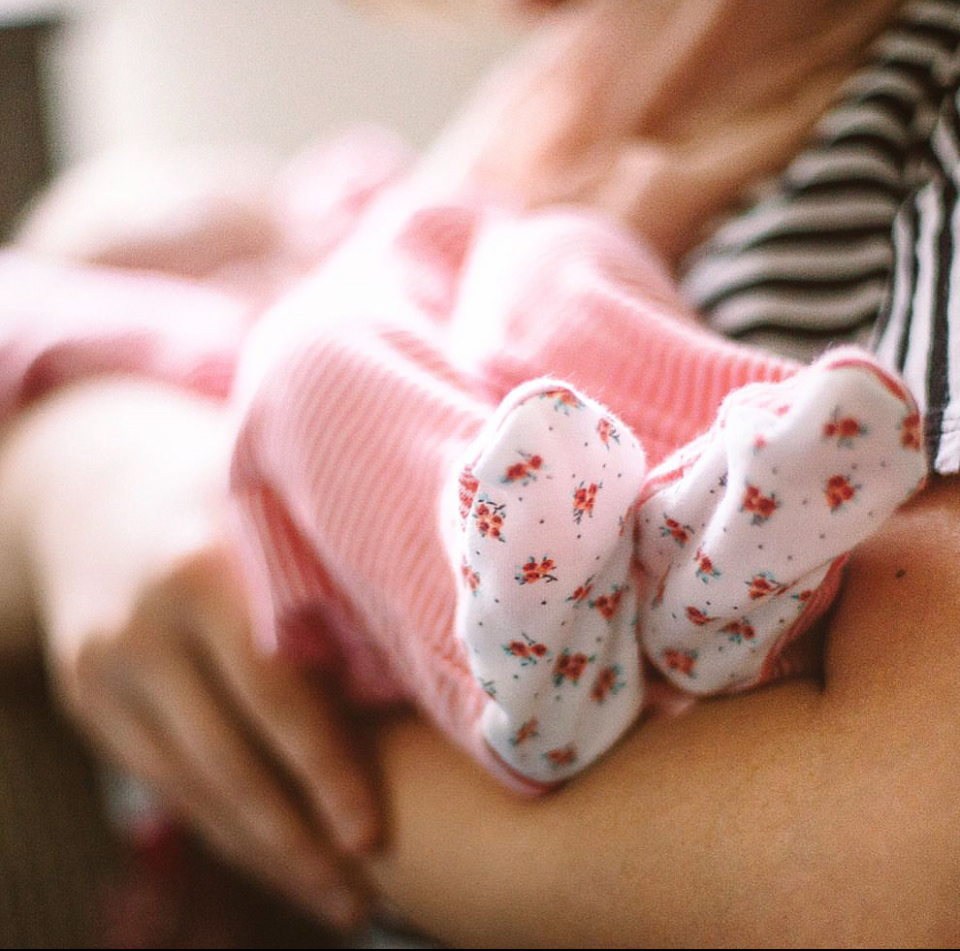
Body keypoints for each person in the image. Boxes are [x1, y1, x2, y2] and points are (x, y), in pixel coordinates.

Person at [1, 0, 959, 945]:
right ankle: (533, 667)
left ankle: (706, 541)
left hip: (560, 503)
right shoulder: (193, 321)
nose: (220, 201)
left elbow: (889, 866)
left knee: (560, 279)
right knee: (317, 360)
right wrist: (71, 474)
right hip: (373, 597)